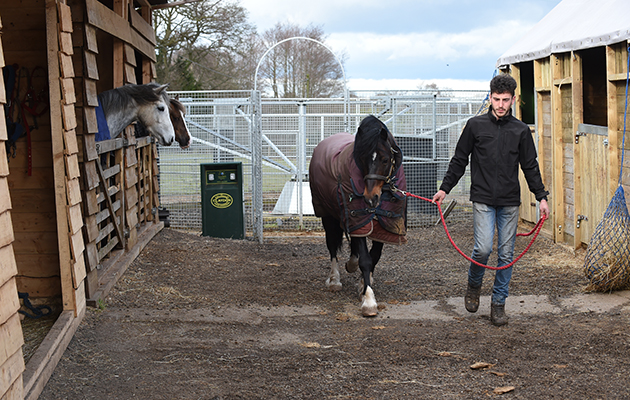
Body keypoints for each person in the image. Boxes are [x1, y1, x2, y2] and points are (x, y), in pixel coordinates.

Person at [432, 74, 550, 326]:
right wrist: (445, 188)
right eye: (496, 99)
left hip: (509, 201)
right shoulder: (475, 126)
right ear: (490, 97)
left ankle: (498, 304)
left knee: (506, 255)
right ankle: (474, 286)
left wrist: (541, 197)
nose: (500, 104)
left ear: (513, 100)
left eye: (505, 100)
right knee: (483, 248)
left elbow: (530, 166)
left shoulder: (520, 130)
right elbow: (459, 159)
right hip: (483, 198)